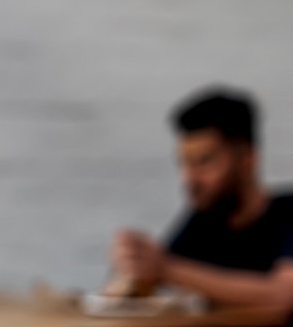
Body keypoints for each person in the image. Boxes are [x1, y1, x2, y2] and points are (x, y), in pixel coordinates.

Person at [110, 87, 293, 312]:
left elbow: (285, 295)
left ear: (247, 159)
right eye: (184, 163)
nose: (190, 178)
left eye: (204, 162)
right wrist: (134, 267)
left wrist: (166, 270)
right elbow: (156, 279)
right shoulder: (202, 220)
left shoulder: (287, 213)